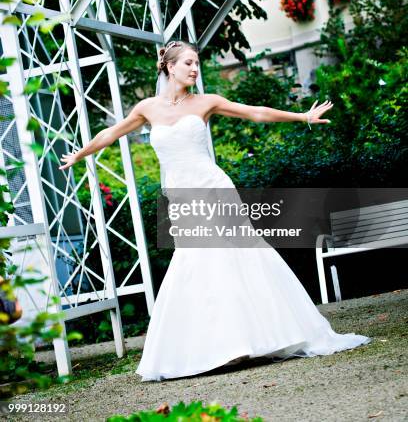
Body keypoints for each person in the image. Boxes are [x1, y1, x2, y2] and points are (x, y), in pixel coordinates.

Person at [59, 40, 371, 381]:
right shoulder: (147, 108)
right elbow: (111, 132)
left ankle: (256, 337)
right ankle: (221, 344)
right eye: (189, 63)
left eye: (197, 63)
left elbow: (255, 111)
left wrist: (302, 116)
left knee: (233, 256)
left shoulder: (206, 102)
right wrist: (79, 155)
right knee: (197, 261)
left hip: (214, 188)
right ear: (169, 67)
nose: (195, 69)